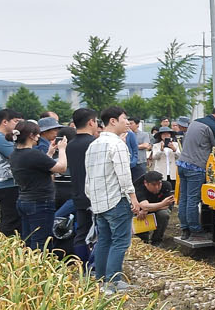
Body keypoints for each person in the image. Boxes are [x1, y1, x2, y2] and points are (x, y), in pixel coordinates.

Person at [85, 106, 138, 292]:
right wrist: (133, 198)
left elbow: (89, 177)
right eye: (124, 119)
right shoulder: (117, 145)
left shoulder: (94, 145)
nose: (128, 122)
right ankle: (113, 281)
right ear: (113, 121)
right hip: (116, 200)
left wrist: (92, 198)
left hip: (99, 202)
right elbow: (124, 175)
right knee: (120, 242)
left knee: (104, 241)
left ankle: (101, 280)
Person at [10, 119, 68, 249]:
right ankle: (41, 262)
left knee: (28, 239)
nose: (38, 137)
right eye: (37, 134)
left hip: (24, 200)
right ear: (31, 135)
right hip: (40, 202)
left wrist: (49, 153)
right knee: (42, 242)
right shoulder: (33, 154)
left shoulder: (15, 154)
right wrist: (62, 149)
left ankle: (27, 261)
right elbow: (62, 168)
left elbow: (39, 167)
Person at [176, 103, 215, 240]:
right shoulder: (213, 127)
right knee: (193, 199)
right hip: (196, 167)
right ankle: (195, 230)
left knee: (184, 198)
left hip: (182, 164)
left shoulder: (195, 122)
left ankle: (185, 229)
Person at [64, 108, 99, 268]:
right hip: (94, 195)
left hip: (78, 193)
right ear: (91, 122)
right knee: (98, 233)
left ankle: (82, 266)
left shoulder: (70, 145)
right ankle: (94, 267)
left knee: (82, 232)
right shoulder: (94, 143)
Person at [134, 170, 176, 242]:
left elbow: (167, 205)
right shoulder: (138, 187)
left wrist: (148, 208)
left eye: (159, 184)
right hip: (140, 211)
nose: (157, 187)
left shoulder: (166, 185)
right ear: (146, 183)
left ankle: (157, 240)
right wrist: (162, 204)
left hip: (157, 209)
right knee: (138, 214)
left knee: (164, 214)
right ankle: (143, 239)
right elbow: (144, 206)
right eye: (153, 185)